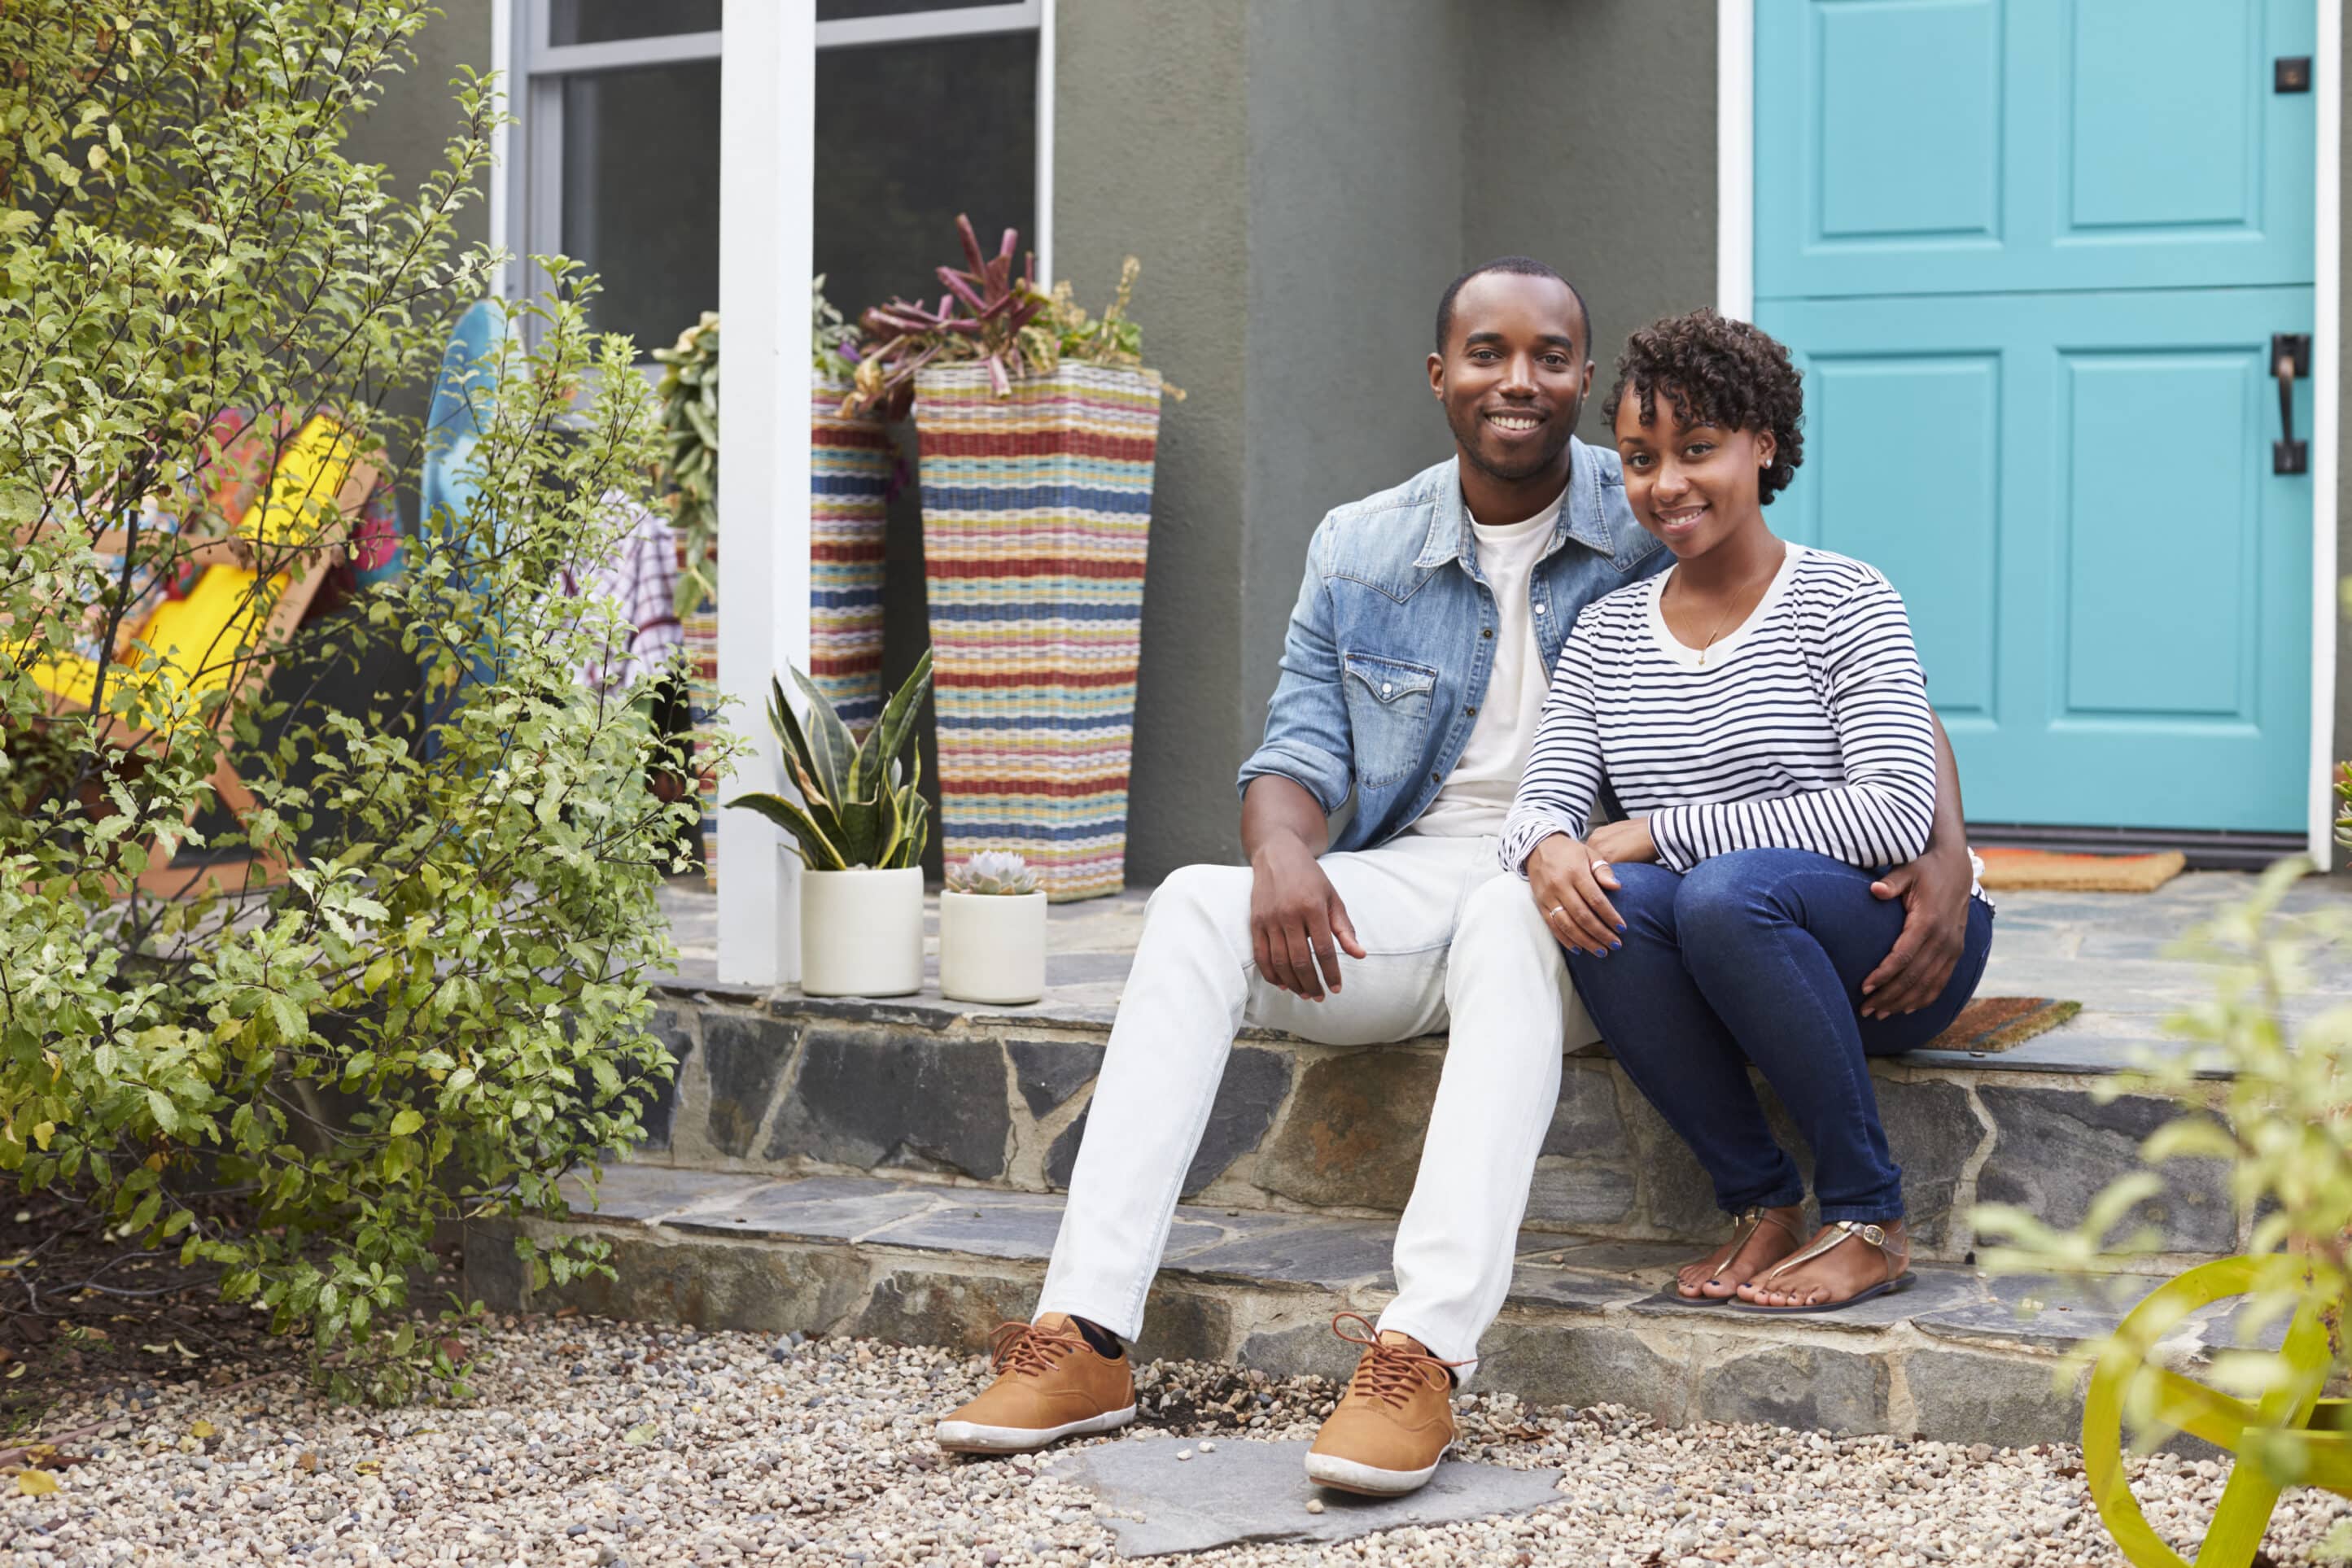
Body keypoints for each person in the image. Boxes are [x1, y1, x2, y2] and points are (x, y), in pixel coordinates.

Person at [934, 264, 1981, 1492]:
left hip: (1588, 912)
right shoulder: (1371, 544)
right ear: (1441, 373)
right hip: (1432, 878)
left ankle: (1419, 1349)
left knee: (1515, 902)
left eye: (1549, 358)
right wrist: (1278, 854)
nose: (1517, 382)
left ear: (1588, 383)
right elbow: (1297, 749)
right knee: (1188, 904)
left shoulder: (1657, 499)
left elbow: (1871, 690)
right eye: (1486, 353)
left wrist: (1946, 849)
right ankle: (1084, 1334)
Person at [1502, 308, 1996, 1315]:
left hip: (1885, 946)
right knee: (1610, 900)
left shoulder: (1843, 597)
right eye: (1640, 459)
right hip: (1724, 947)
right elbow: (1543, 796)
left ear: (1761, 445)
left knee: (1715, 888)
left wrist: (1663, 830)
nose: (1666, 484)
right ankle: (1760, 1203)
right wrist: (1545, 845)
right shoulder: (1604, 636)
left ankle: (1868, 1216)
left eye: (1697, 449)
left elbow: (1894, 813)